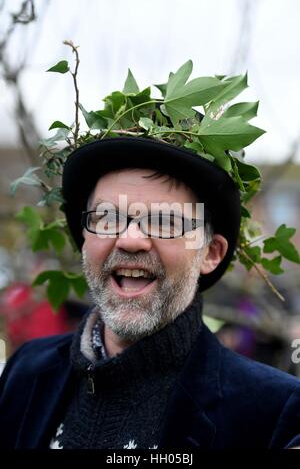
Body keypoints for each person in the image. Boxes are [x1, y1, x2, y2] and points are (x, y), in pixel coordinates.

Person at [1, 68, 300, 449]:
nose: (130, 239)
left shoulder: (273, 414)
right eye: (107, 217)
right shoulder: (25, 374)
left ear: (210, 253)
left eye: (163, 221)